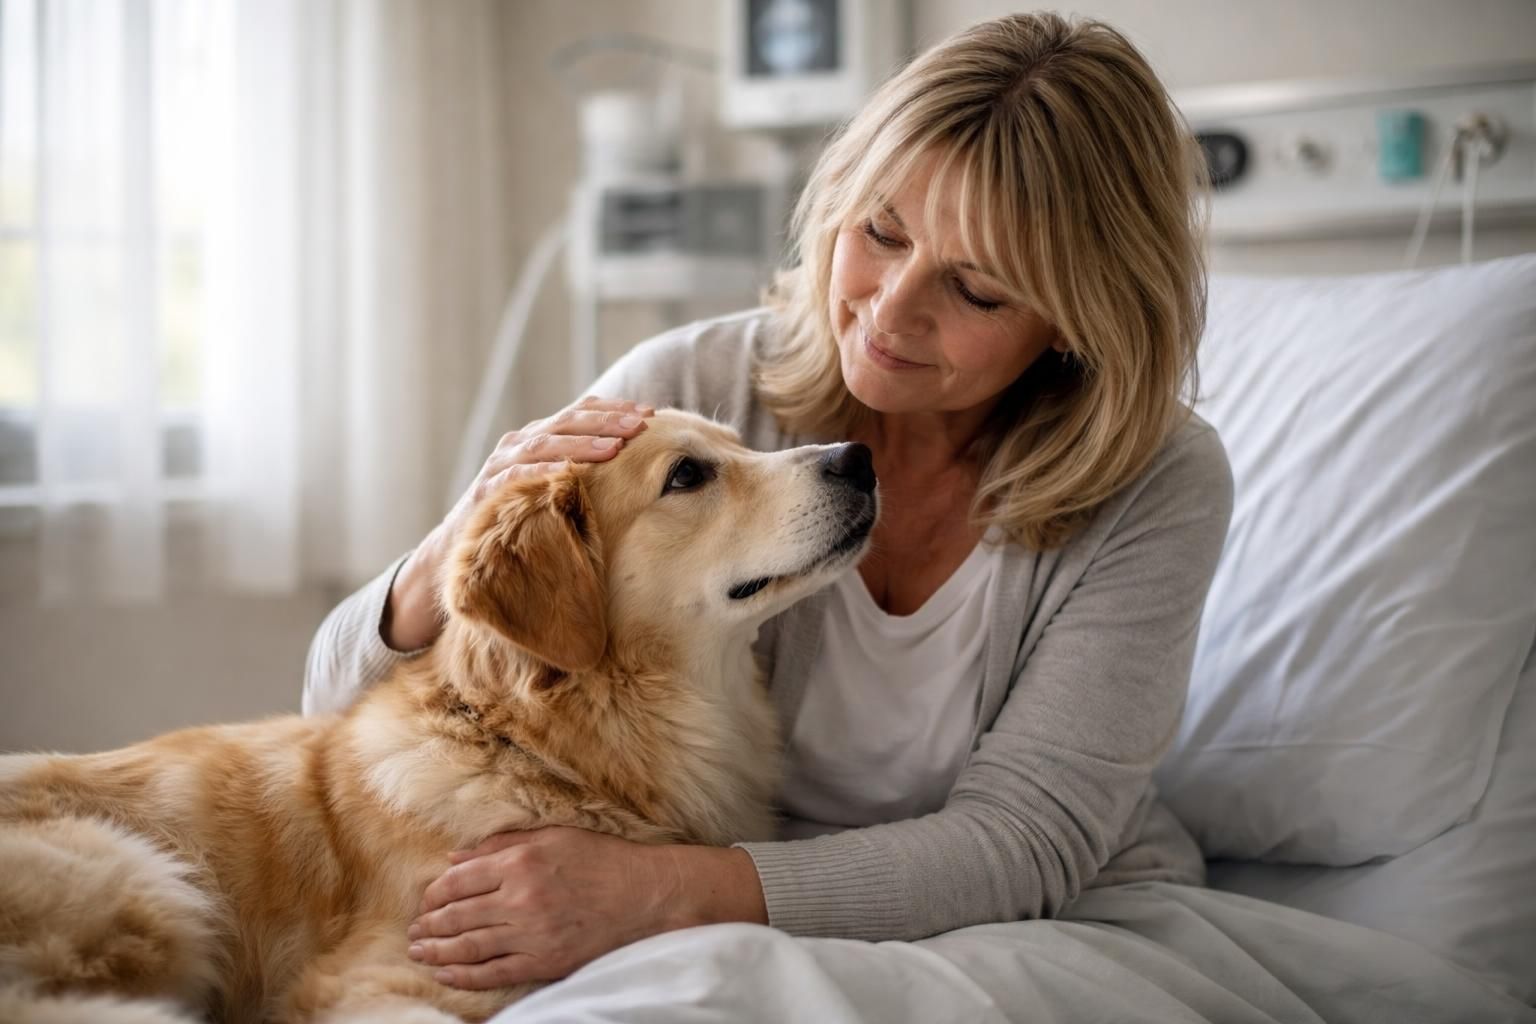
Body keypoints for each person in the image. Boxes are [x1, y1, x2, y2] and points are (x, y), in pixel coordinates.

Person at [304, 11, 1232, 993]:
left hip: (1041, 922)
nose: (890, 307)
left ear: (1075, 321)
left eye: (976, 290)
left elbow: (1023, 844)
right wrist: (453, 550)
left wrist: (661, 890)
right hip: (706, 907)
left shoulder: (1157, 481)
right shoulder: (693, 389)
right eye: (880, 232)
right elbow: (335, 707)